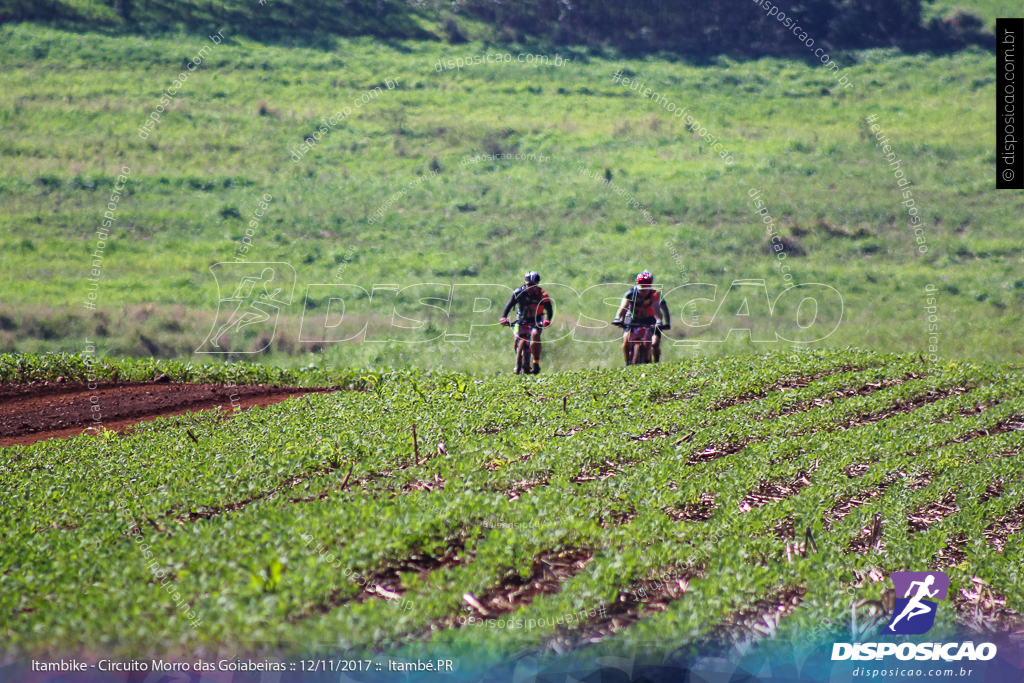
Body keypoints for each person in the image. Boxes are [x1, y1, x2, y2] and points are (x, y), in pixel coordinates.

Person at [499, 271, 553, 374]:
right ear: (525, 282)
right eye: (529, 285)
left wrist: (547, 320)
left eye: (533, 285)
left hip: (536, 320)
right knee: (517, 337)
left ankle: (536, 362)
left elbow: (549, 309)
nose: (531, 288)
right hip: (522, 319)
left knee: (535, 334)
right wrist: (503, 318)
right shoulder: (518, 292)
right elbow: (509, 306)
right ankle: (518, 359)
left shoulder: (543, 294)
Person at [612, 270, 671, 364]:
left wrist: (660, 321)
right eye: (641, 289)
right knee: (626, 339)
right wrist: (618, 318)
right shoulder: (630, 294)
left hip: (650, 319)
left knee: (655, 343)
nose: (643, 292)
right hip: (633, 318)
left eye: (645, 289)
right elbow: (623, 308)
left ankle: (656, 363)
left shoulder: (655, 294)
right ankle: (627, 362)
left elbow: (657, 309)